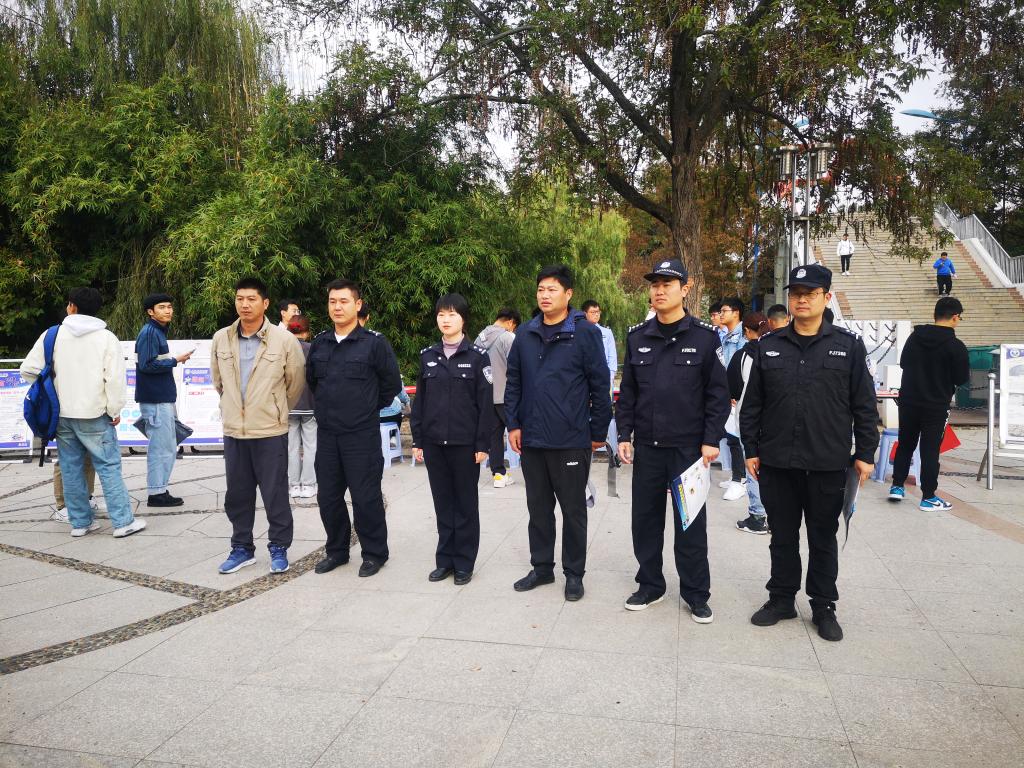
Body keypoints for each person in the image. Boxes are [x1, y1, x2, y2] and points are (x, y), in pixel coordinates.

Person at [741, 264, 879, 642]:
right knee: (782, 536)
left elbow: (864, 405)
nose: (802, 299)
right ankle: (781, 598)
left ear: (826, 297)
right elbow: (752, 405)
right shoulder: (768, 345)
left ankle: (823, 605)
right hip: (777, 461)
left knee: (822, 537)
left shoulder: (848, 346)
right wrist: (750, 448)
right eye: (796, 293)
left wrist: (866, 453)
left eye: (811, 293)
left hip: (827, 461)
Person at [616, 259, 729, 618]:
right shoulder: (638, 337)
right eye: (655, 284)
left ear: (686, 288)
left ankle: (696, 593)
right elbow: (628, 393)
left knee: (690, 524)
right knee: (645, 522)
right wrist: (624, 434)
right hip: (648, 448)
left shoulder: (704, 338)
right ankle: (650, 585)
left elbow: (717, 394)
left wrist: (711, 439)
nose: (660, 290)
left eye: (668, 284)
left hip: (688, 450)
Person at [505, 265, 612, 602]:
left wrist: (598, 431)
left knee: (573, 510)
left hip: (571, 438)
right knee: (538, 509)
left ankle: (574, 574)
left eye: (552, 289)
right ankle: (541, 568)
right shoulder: (525, 333)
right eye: (541, 289)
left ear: (568, 294)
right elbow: (514, 381)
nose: (545, 295)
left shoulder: (585, 333)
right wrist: (513, 424)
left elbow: (600, 384)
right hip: (532, 438)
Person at [20, 287, 145, 538]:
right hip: (96, 414)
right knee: (108, 467)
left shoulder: (52, 335)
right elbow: (115, 380)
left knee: (70, 468)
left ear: (72, 307)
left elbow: (28, 370)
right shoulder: (106, 338)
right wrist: (114, 410)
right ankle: (122, 522)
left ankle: (80, 523)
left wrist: (52, 387)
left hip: (61, 415)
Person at [307, 279, 402, 577]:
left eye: (344, 301)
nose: (337, 307)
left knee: (365, 497)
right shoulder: (320, 343)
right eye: (332, 301)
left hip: (361, 436)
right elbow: (313, 382)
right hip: (328, 435)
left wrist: (364, 408)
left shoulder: (374, 343)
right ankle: (336, 551)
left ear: (357, 305)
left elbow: (390, 385)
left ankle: (374, 553)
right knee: (328, 497)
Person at [211, 278, 306, 574]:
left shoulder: (284, 340)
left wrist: (274, 409)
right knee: (237, 494)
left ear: (265, 303)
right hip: (234, 431)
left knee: (275, 493)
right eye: (240, 298)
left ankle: (279, 547)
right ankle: (241, 547)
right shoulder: (221, 338)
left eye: (251, 299)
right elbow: (218, 381)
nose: (245, 304)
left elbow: (295, 382)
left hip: (269, 430)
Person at [411, 293, 494, 585]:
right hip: (434, 444)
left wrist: (483, 444)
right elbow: (420, 402)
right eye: (441, 315)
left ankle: (464, 563)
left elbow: (485, 405)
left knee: (465, 506)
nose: (445, 320)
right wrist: (418, 440)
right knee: (443, 504)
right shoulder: (428, 356)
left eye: (452, 314)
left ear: (463, 319)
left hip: (465, 446)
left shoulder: (477, 357)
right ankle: (444, 560)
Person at [889, 297, 969, 511]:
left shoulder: (915, 337)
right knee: (930, 450)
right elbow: (961, 378)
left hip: (909, 401)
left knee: (905, 443)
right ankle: (928, 496)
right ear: (955, 317)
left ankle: (897, 486)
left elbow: (904, 363)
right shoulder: (956, 346)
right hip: (936, 405)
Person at [135, 293, 192, 507]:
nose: (168, 310)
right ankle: (157, 493)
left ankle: (159, 489)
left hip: (160, 398)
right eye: (162, 307)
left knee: (166, 446)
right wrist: (175, 360)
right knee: (161, 448)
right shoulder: (150, 333)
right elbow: (146, 365)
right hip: (156, 400)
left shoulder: (157, 331)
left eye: (169, 306)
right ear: (151, 312)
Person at [727, 312, 771, 534]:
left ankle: (758, 516)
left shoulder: (742, 356)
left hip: (749, 420)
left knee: (753, 465)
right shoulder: (777, 351)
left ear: (746, 331)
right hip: (777, 420)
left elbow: (733, 389)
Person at [473, 307, 521, 487]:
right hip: (508, 396)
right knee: (521, 434)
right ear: (511, 322)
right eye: (514, 327)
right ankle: (535, 474)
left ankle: (499, 475)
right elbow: (517, 367)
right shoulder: (508, 337)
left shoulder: (480, 338)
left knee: (494, 436)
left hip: (487, 397)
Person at [582, 299, 620, 463]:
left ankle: (608, 445)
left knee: (604, 411)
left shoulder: (606, 332)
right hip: (586, 380)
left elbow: (612, 357)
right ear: (585, 314)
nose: (596, 315)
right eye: (593, 312)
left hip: (603, 380)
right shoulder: (580, 332)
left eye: (598, 312)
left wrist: (609, 378)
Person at [717, 297, 747, 501]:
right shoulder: (725, 336)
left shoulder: (743, 336)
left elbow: (743, 366)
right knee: (730, 436)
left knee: (737, 438)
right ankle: (737, 475)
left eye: (724, 311)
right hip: (727, 394)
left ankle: (740, 479)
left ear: (736, 313)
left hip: (738, 396)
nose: (721, 315)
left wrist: (736, 393)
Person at [286, 315, 317, 499]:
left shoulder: (284, 349)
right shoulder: (313, 350)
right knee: (310, 446)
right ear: (307, 332)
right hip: (310, 405)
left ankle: (293, 485)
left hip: (289, 405)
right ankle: (308, 485)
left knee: (291, 448)